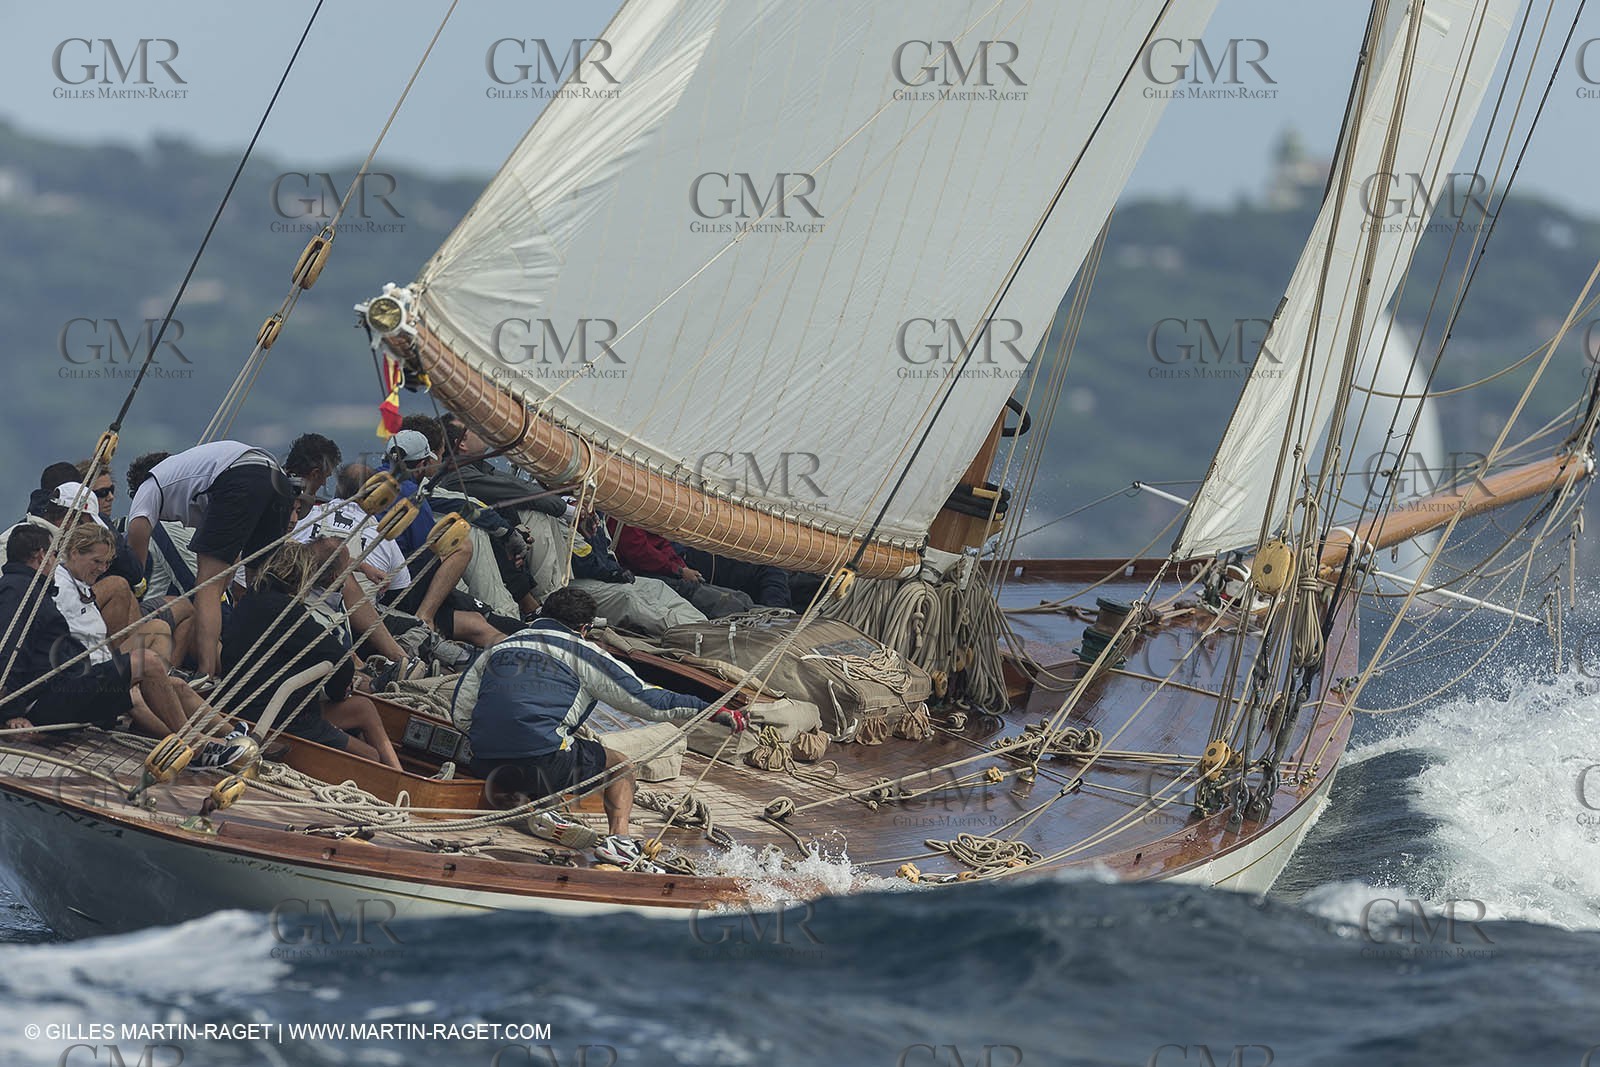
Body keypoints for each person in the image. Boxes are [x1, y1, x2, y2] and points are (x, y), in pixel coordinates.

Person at [451, 586, 744, 866]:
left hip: (483, 761)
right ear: (584, 628)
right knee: (619, 766)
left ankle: (528, 802)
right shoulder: (585, 653)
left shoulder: (501, 645)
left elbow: (461, 712)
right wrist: (714, 711)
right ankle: (620, 842)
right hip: (543, 762)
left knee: (540, 747)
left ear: (542, 615)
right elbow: (650, 701)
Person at [0, 524, 212, 740]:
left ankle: (224, 738)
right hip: (48, 698)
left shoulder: (31, 589)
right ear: (41, 555)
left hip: (64, 684)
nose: (57, 561)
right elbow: (10, 651)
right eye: (55, 554)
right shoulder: (20, 592)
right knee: (147, 662)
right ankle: (194, 744)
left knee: (168, 678)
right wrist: (11, 713)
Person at [217, 542, 401, 769]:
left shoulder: (250, 601)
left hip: (246, 701)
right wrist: (337, 693)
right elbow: (337, 658)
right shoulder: (286, 612)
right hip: (275, 717)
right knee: (369, 757)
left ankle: (399, 774)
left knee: (363, 708)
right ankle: (395, 781)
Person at [123, 441, 296, 680]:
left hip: (241, 476)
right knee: (261, 588)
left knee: (206, 587)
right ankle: (260, 667)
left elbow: (137, 535)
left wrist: (134, 583)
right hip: (278, 481)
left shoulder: (150, 484)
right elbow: (230, 551)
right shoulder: (192, 484)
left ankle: (205, 674)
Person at [380, 429, 518, 648]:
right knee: (461, 544)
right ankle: (425, 617)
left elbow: (449, 502)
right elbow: (426, 547)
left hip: (374, 582)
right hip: (397, 588)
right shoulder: (413, 495)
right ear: (423, 463)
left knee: (476, 619)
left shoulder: (368, 482)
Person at [567, 507, 707, 636]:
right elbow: (583, 560)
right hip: (571, 581)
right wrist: (613, 573)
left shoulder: (595, 512)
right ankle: (692, 635)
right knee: (628, 597)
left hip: (605, 574)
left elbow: (606, 550)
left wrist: (615, 571)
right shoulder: (564, 514)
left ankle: (705, 627)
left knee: (657, 587)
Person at [609, 520, 756, 618]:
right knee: (731, 605)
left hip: (668, 570)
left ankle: (766, 616)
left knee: (741, 598)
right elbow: (638, 552)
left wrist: (681, 567)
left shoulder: (641, 510)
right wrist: (678, 570)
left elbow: (660, 543)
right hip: (644, 574)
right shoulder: (624, 512)